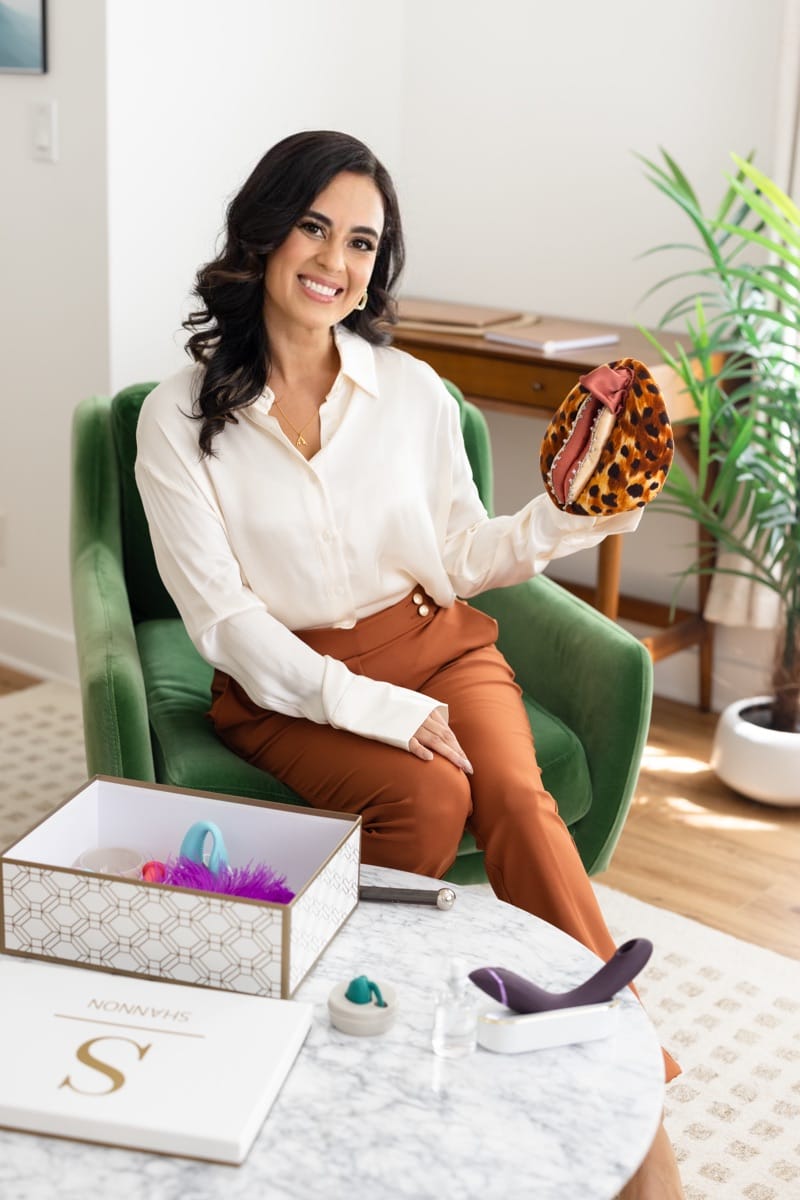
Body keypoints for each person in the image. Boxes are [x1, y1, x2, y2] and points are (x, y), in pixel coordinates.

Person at [135, 129, 684, 1198]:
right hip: (287, 680)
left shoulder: (415, 395)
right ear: (263, 232)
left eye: (361, 242)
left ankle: (625, 1089)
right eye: (312, 227)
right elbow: (222, 621)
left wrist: (563, 517)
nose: (334, 261)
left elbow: (459, 558)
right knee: (432, 802)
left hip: (435, 641)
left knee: (519, 800)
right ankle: (357, 1030)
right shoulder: (178, 417)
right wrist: (368, 708)